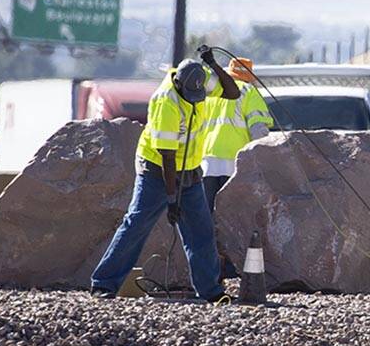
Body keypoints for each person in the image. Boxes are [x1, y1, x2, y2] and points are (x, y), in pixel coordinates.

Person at [90, 50, 240, 301]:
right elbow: (167, 157)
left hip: (191, 169)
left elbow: (233, 92)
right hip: (157, 172)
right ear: (178, 84)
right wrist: (172, 199)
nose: (195, 99)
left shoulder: (200, 77)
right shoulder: (166, 103)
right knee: (137, 225)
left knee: (201, 232)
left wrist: (213, 64)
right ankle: (103, 284)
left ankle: (211, 292)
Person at [200, 57, 274, 210]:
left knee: (206, 213)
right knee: (232, 214)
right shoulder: (248, 91)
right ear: (250, 76)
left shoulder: (214, 93)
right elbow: (258, 130)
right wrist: (261, 161)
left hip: (207, 161)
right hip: (235, 161)